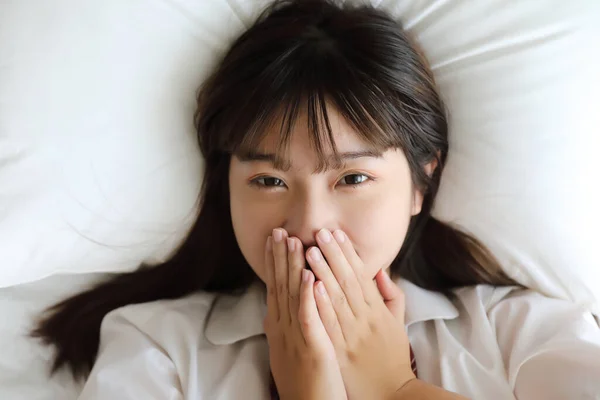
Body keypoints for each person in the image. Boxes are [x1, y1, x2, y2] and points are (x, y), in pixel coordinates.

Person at [33, 0, 600, 399]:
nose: (308, 224)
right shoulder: (154, 347)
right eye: (269, 181)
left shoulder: (524, 334)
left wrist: (391, 390)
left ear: (421, 184)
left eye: (352, 179)